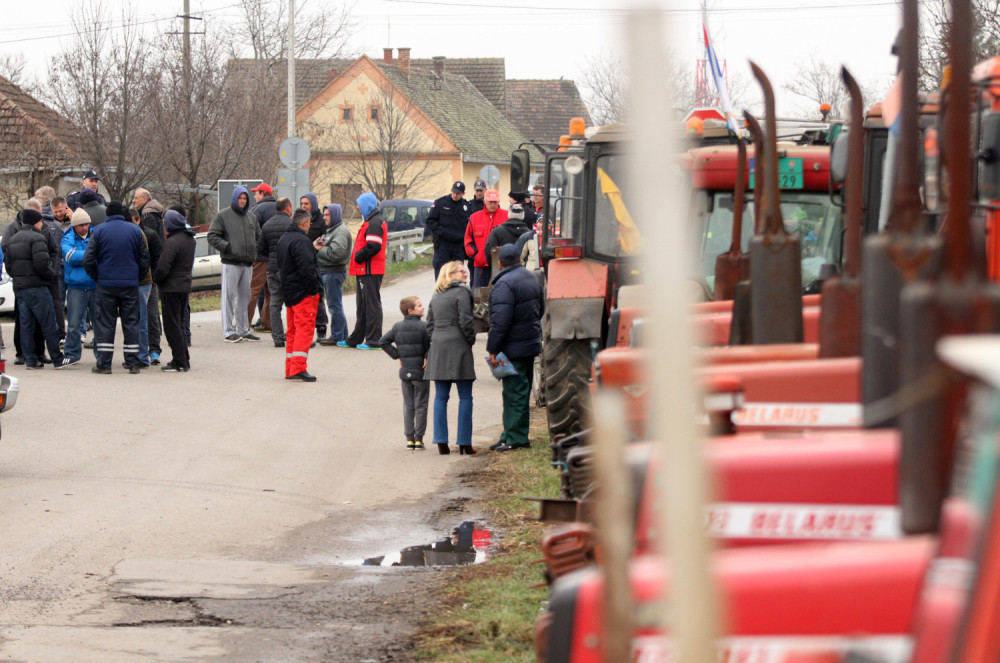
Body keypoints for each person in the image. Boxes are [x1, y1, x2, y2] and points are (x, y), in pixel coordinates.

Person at [487, 245, 543, 452]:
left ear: (500, 262)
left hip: (512, 348)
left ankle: (516, 438)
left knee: (515, 393)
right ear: (519, 259)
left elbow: (499, 322)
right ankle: (508, 434)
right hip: (529, 343)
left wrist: (493, 349)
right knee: (517, 392)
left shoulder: (503, 285)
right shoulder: (532, 278)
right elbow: (541, 309)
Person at [83, 201, 149, 374]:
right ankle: (133, 363)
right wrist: (137, 277)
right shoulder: (135, 231)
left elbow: (88, 260)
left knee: (105, 323)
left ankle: (104, 364)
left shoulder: (98, 231)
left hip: (106, 285)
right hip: (130, 284)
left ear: (108, 214)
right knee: (131, 323)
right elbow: (144, 259)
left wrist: (98, 276)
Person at [424, 260, 477, 455]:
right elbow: (466, 320)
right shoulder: (463, 292)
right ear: (451, 274)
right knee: (465, 396)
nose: (465, 274)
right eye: (461, 272)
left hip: (438, 345)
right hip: (458, 344)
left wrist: (436, 341)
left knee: (440, 396)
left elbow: (429, 325)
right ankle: (464, 442)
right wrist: (470, 340)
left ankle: (441, 441)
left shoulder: (436, 295)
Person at [4, 209, 65, 369]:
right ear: (35, 222)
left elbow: (9, 267)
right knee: (49, 323)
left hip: (19, 287)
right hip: (37, 286)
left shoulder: (12, 239)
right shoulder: (38, 238)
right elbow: (42, 264)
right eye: (40, 221)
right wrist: (50, 275)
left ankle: (30, 360)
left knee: (26, 325)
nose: (42, 223)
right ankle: (58, 359)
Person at [207, 186, 261, 342]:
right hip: (231, 262)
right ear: (235, 199)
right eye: (240, 198)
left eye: (245, 199)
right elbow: (212, 236)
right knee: (229, 297)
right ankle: (228, 331)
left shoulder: (252, 217)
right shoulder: (223, 216)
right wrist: (228, 247)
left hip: (248, 263)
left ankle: (243, 329)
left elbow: (259, 236)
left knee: (245, 297)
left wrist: (254, 251)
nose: (242, 201)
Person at [378, 295, 431, 450]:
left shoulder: (397, 327)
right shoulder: (424, 327)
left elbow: (383, 341)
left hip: (405, 371)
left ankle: (409, 438)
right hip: (421, 372)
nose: (423, 307)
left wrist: (397, 355)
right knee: (421, 404)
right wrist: (427, 356)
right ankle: (419, 438)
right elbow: (432, 343)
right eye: (419, 305)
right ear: (411, 310)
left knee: (408, 405)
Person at [276, 208, 322, 382]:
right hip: (303, 293)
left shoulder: (284, 239)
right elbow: (307, 268)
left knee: (293, 331)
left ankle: (290, 367)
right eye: (309, 223)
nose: (310, 227)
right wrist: (313, 290)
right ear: (303, 223)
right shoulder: (301, 241)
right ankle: (298, 367)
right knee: (305, 329)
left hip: (289, 292)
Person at [343, 192, 387, 349]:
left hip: (370, 270)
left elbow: (374, 246)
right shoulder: (371, 220)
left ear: (366, 205)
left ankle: (374, 339)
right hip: (365, 270)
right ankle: (356, 338)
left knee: (371, 304)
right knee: (363, 306)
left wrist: (359, 256)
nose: (357, 208)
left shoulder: (374, 222)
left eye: (359, 205)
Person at [153, 210, 196, 372]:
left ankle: (179, 361)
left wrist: (157, 279)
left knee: (172, 326)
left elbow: (163, 267)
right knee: (179, 322)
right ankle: (184, 357)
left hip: (171, 287)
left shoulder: (172, 242)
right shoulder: (190, 239)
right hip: (184, 284)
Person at [132, 188, 166, 362]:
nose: (133, 200)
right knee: (147, 313)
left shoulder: (148, 216)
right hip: (148, 274)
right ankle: (150, 349)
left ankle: (153, 349)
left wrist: (151, 273)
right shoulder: (153, 212)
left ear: (145, 199)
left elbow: (151, 249)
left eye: (136, 198)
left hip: (149, 277)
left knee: (149, 313)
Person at [61, 209, 96, 367]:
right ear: (75, 225)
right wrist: (91, 255)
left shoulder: (97, 234)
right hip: (76, 286)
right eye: (81, 225)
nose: (85, 227)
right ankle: (72, 353)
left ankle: (101, 353)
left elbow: (103, 255)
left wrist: (82, 255)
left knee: (99, 322)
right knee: (74, 323)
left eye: (87, 224)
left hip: (96, 285)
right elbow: (69, 257)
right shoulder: (67, 238)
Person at [256, 197, 294, 347]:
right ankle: (292, 335)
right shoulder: (292, 225)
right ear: (288, 208)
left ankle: (277, 337)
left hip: (272, 268)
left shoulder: (267, 225)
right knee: (294, 303)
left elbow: (260, 249)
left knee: (274, 303)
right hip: (289, 269)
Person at [315, 204, 352, 345]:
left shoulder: (341, 231)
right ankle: (343, 335)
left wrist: (319, 249)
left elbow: (337, 253)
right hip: (328, 271)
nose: (324, 217)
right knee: (335, 305)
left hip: (333, 272)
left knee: (334, 306)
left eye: (327, 214)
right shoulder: (332, 230)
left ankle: (337, 335)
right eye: (324, 214)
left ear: (335, 215)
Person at [425, 181, 471, 279]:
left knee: (457, 273)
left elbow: (469, 226)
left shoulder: (466, 207)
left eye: (458, 193)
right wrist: (442, 232)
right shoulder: (441, 203)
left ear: (463, 194)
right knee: (442, 273)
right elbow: (430, 221)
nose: (455, 195)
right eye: (453, 192)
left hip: (458, 246)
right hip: (443, 245)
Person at [249, 183, 278, 332]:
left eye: (257, 193)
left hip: (260, 257)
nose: (254, 196)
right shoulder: (279, 207)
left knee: (252, 291)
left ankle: (244, 323)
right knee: (271, 292)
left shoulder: (258, 209)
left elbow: (250, 230)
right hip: (275, 257)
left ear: (264, 194)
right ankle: (268, 322)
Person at [464, 189, 507, 288]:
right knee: (478, 295)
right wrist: (477, 256)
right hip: (481, 265)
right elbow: (468, 241)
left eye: (495, 202)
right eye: (490, 202)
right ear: (484, 201)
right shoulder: (474, 218)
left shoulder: (506, 217)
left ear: (498, 201)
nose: (492, 204)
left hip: (501, 265)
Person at [300, 191, 328, 339]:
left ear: (313, 204)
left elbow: (325, 239)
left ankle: (321, 327)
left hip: (318, 263)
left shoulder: (321, 221)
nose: (304, 206)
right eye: (302, 204)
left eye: (307, 204)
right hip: (302, 263)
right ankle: (305, 330)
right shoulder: (299, 219)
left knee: (317, 296)